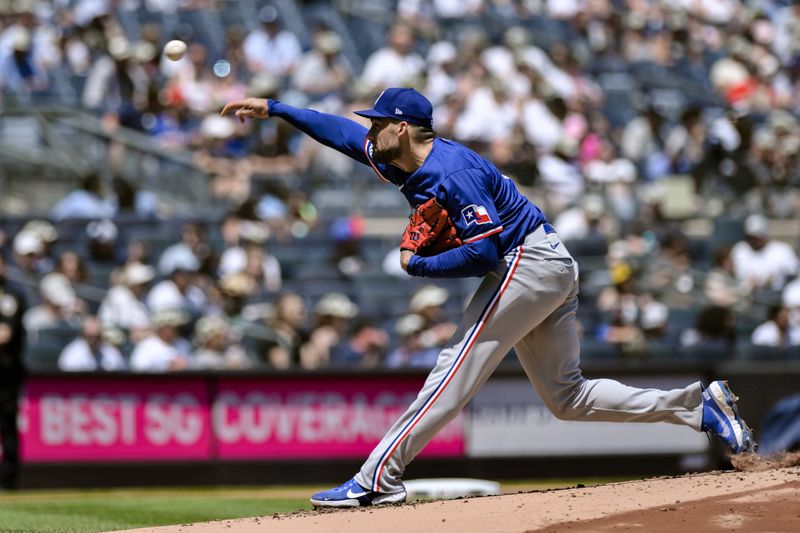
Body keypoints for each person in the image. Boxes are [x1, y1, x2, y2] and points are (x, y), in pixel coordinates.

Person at [221, 87, 756, 508]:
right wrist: (275, 108)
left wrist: (419, 266)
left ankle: (374, 479)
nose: (370, 129)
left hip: (527, 261)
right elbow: (338, 132)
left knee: (453, 371)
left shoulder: (449, 172)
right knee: (567, 399)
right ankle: (698, 408)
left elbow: (484, 252)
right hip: (546, 264)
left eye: (379, 122)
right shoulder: (400, 155)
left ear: (401, 128)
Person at [0, 253, 26, 490]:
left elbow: (4, 335)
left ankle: (8, 480)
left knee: (7, 425)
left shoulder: (10, 296)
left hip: (6, 373)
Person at [58, 316, 127, 372]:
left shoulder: (109, 351)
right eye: (90, 336)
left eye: (97, 336)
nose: (94, 340)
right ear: (83, 334)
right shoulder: (72, 353)